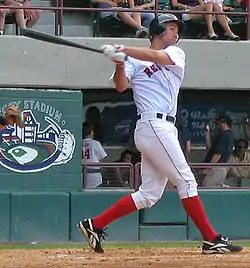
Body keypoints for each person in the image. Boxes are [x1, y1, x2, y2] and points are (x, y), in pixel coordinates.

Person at [77, 14, 243, 254]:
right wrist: (120, 61)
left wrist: (124, 49)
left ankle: (94, 224)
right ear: (157, 29)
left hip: (162, 128)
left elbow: (154, 56)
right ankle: (211, 239)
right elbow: (121, 86)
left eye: (177, 30)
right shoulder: (134, 60)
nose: (176, 34)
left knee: (149, 194)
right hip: (152, 125)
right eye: (172, 28)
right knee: (186, 181)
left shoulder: (176, 53)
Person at [171, 0, 239, 40]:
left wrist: (201, 7)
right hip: (186, 11)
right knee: (209, 6)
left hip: (199, 10)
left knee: (214, 5)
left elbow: (202, 3)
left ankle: (228, 32)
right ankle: (211, 31)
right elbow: (174, 4)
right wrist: (189, 7)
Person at [201, 115, 235, 187]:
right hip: (218, 167)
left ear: (224, 123)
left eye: (218, 124)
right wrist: (207, 135)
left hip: (217, 168)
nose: (217, 126)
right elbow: (211, 148)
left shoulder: (225, 135)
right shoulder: (226, 135)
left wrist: (208, 168)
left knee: (207, 187)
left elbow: (218, 154)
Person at [82, 123, 107, 188]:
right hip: (95, 175)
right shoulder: (96, 143)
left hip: (82, 174)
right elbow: (102, 159)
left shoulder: (78, 143)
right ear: (91, 132)